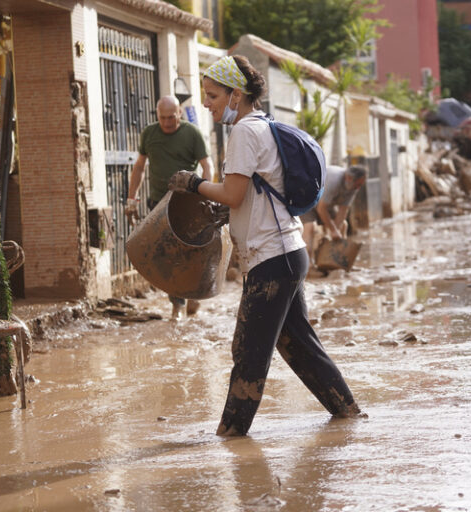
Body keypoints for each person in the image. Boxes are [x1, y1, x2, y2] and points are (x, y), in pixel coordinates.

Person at [168, 55, 364, 436]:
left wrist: (194, 183)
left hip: (272, 260)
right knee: (300, 347)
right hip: (287, 254)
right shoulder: (262, 125)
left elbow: (234, 193)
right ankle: (349, 415)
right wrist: (226, 211)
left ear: (236, 95)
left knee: (248, 354)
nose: (205, 103)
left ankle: (231, 436)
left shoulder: (243, 132)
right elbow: (250, 195)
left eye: (212, 95)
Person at [125, 95, 213, 318]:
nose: (166, 123)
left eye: (171, 117)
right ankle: (177, 305)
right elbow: (139, 167)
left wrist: (205, 194)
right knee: (168, 254)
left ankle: (194, 293)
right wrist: (131, 199)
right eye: (162, 118)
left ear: (180, 113)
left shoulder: (191, 134)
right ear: (157, 115)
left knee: (191, 251)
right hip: (159, 203)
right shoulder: (149, 134)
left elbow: (207, 165)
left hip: (187, 203)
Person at [300, 164, 367, 263]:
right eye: (358, 184)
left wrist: (335, 231)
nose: (358, 188)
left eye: (360, 185)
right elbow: (321, 209)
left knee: (343, 225)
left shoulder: (353, 187)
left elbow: (343, 210)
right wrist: (333, 230)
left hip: (325, 204)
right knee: (310, 227)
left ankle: (337, 260)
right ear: (349, 178)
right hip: (307, 200)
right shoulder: (334, 179)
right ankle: (309, 265)